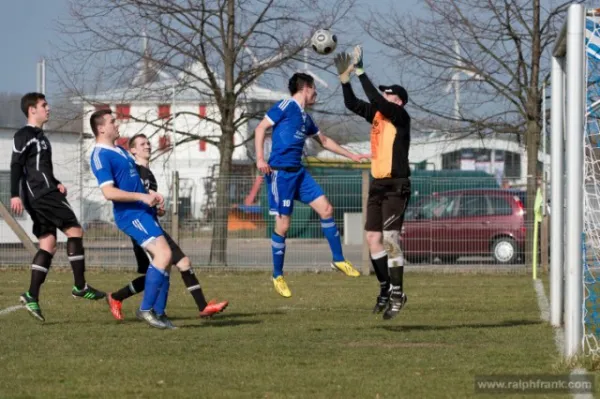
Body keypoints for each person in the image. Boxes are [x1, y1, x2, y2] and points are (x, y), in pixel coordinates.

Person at [254, 72, 369, 298]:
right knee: (283, 227)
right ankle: (277, 275)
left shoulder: (306, 118)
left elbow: (324, 141)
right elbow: (260, 129)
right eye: (314, 88)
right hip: (281, 174)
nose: (316, 93)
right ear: (306, 87)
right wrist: (260, 159)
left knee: (326, 209)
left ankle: (338, 260)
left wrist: (351, 156)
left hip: (299, 172)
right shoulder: (285, 105)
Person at [105, 133, 228, 320]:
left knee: (181, 264)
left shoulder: (150, 175)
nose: (147, 146)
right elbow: (127, 198)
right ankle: (146, 309)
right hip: (141, 228)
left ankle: (201, 307)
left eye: (148, 143)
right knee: (159, 271)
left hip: (153, 224)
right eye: (142, 144)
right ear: (133, 150)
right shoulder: (132, 170)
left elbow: (150, 202)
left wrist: (158, 208)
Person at [11, 92, 105, 322]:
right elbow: (16, 164)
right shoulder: (24, 134)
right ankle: (80, 286)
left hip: (45, 190)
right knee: (75, 231)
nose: (48, 108)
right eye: (44, 105)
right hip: (42, 195)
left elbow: (42, 168)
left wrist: (56, 182)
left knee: (48, 244)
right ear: (32, 110)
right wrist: (15, 194)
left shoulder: (41, 137)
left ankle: (31, 295)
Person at [335, 47, 411, 320]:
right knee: (372, 239)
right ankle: (384, 288)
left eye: (390, 94)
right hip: (378, 185)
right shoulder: (379, 116)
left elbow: (377, 101)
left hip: (396, 185)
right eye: (385, 93)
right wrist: (346, 80)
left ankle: (398, 293)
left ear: (399, 101)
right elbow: (353, 104)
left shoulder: (400, 117)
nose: (385, 96)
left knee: (391, 240)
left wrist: (362, 72)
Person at [89, 109, 175, 329]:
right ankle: (145, 310)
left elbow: (135, 182)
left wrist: (152, 196)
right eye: (112, 121)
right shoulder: (100, 155)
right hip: (130, 215)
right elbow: (109, 193)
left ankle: (159, 313)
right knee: (164, 255)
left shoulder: (119, 150)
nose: (117, 124)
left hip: (143, 212)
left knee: (166, 261)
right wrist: (141, 197)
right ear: (101, 128)